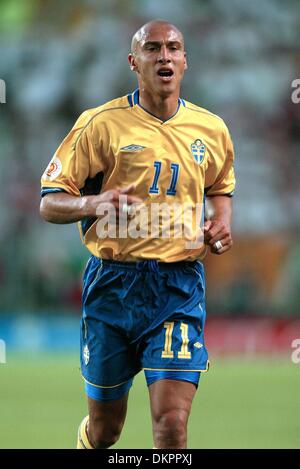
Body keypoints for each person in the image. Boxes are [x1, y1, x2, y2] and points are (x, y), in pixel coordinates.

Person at [40, 19, 235, 449]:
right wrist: (93, 203)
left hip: (177, 286)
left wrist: (221, 221)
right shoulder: (100, 124)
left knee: (171, 427)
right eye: (152, 48)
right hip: (112, 285)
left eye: (173, 47)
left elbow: (221, 186)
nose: (164, 55)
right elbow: (50, 201)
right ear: (134, 62)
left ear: (185, 60)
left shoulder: (212, 129)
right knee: (105, 430)